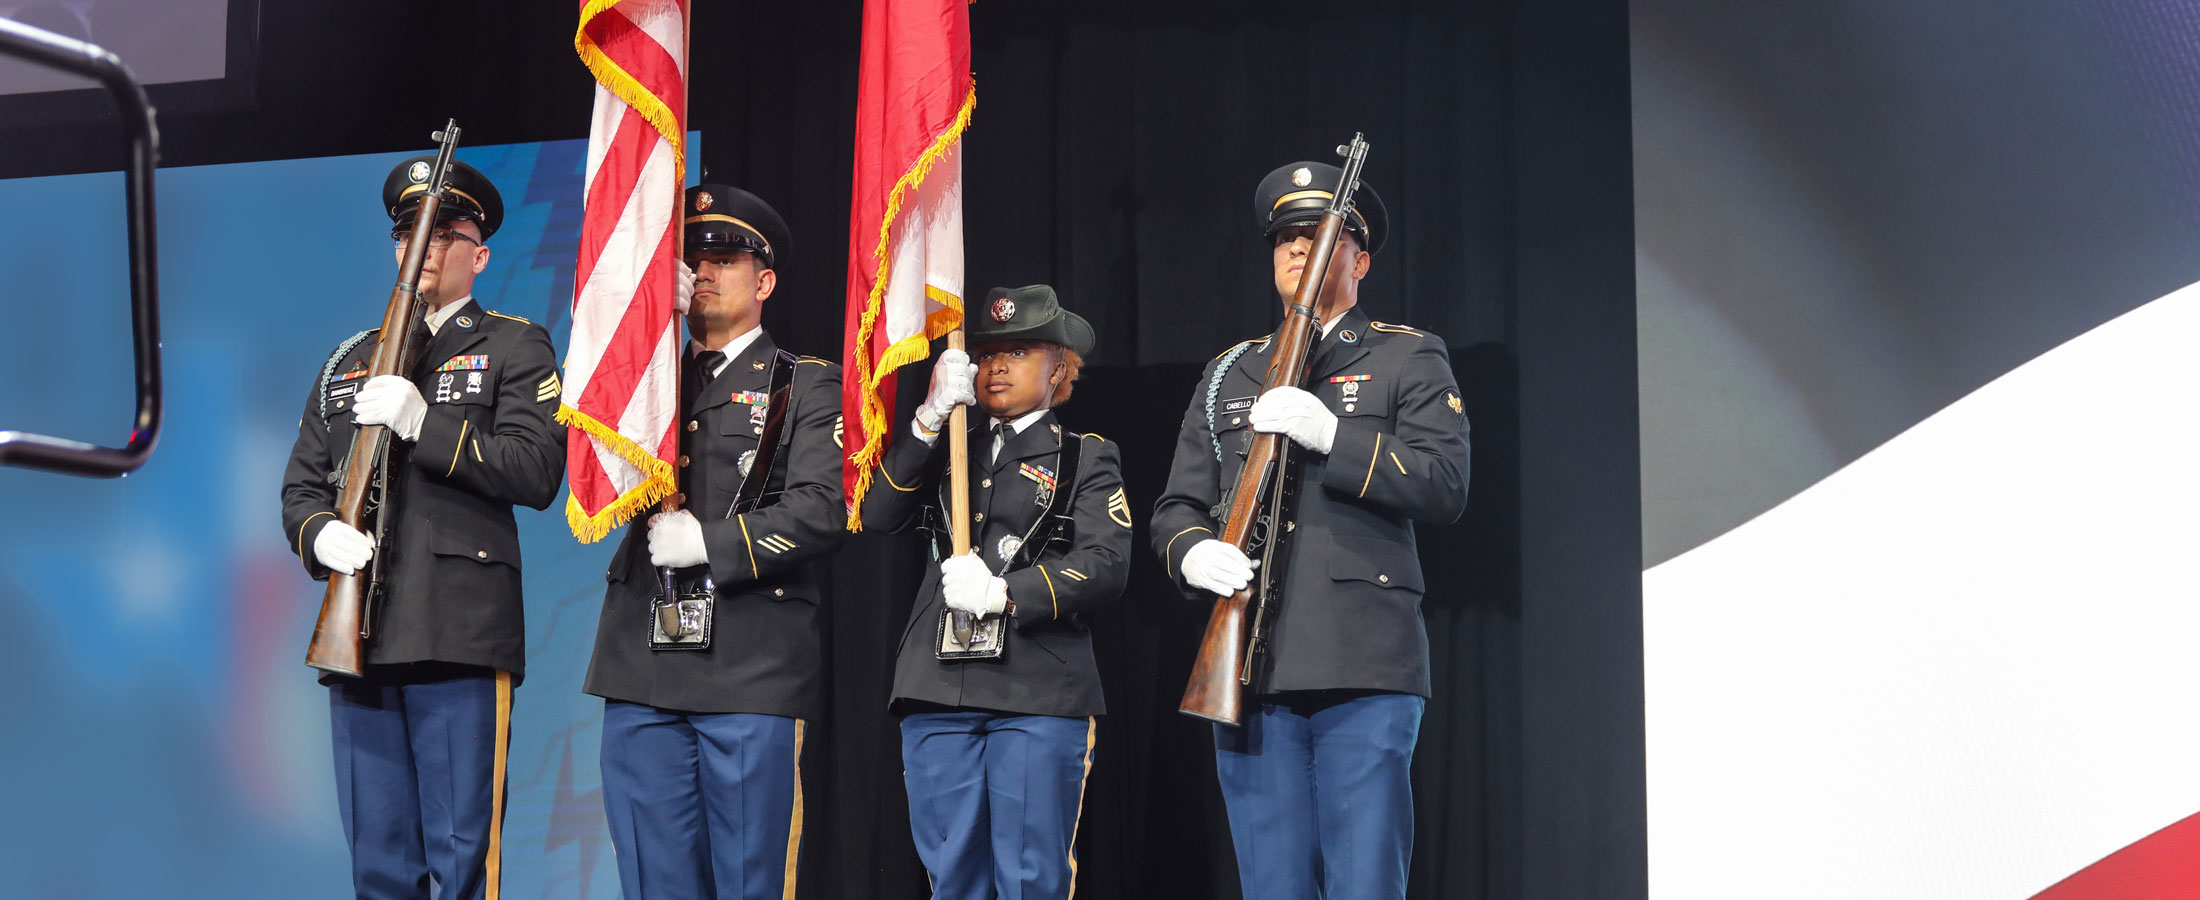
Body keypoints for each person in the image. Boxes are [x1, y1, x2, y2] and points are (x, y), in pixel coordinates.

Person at [1148, 161, 1470, 899]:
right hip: (1251, 663)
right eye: (1286, 238)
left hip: (1363, 660)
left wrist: (1336, 436)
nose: (1300, 249)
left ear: (1359, 259)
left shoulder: (1404, 355)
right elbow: (1177, 507)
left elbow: (1446, 484)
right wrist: (1192, 553)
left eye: (1321, 235)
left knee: (1363, 883)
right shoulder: (1232, 371)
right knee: (1274, 886)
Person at [280, 155, 565, 900]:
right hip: (361, 637)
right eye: (410, 232)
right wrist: (318, 536)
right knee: (378, 865)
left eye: (445, 232)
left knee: (461, 860)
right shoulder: (349, 360)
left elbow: (535, 471)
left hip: (456, 635)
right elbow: (301, 486)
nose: (424, 247)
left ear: (481, 253)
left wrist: (422, 422)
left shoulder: (512, 345)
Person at [582, 184, 845, 899]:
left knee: (747, 882)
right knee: (653, 882)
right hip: (641, 664)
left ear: (763, 281)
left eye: (723, 258)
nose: (702, 270)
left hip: (750, 666)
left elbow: (823, 509)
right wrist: (645, 330)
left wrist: (712, 542)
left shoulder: (807, 384)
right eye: (692, 256)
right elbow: (574, 457)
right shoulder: (645, 381)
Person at [860, 285, 1131, 900]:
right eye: (986, 355)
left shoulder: (1085, 457)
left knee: (1030, 878)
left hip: (1035, 686)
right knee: (951, 879)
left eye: (1020, 351)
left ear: (1059, 365)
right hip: (937, 686)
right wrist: (928, 419)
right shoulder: (951, 444)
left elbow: (1106, 564)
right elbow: (878, 514)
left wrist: (1007, 593)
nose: (996, 366)